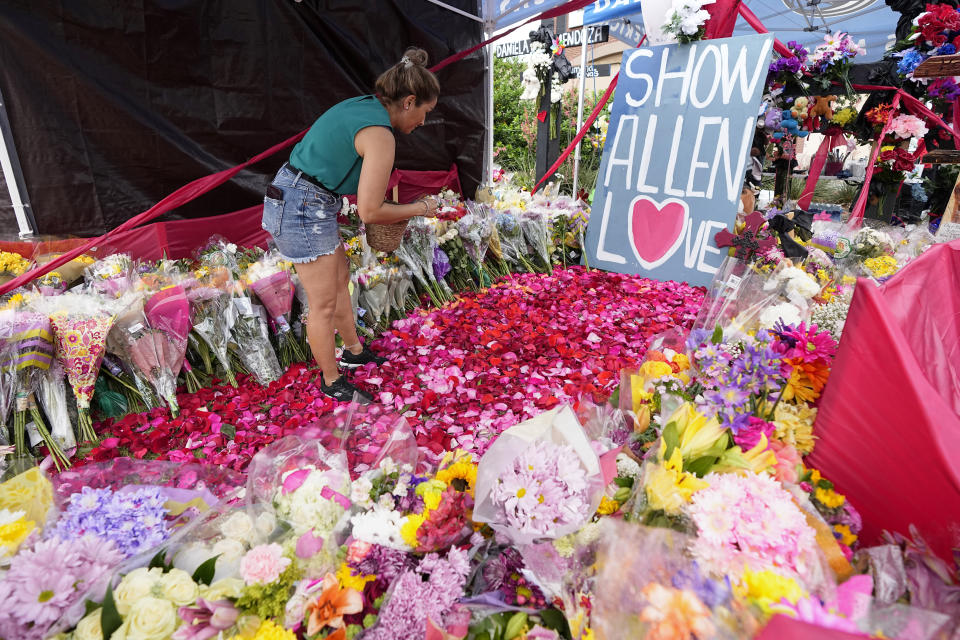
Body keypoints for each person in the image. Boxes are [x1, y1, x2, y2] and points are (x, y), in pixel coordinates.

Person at [261, 47, 440, 402]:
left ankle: (354, 352)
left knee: (340, 279)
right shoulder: (380, 133)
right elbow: (370, 211)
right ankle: (331, 382)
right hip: (301, 205)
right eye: (424, 112)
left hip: (306, 198)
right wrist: (420, 207)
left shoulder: (364, 105)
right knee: (323, 302)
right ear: (408, 101)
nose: (423, 123)